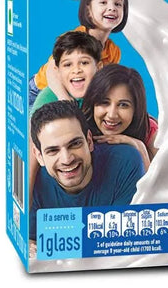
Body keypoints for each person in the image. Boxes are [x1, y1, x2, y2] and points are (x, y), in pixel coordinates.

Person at [28, 100, 145, 248]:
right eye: (52, 151)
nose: (67, 159)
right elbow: (31, 242)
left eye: (75, 144)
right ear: (39, 156)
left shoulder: (125, 162)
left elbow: (124, 240)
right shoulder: (32, 184)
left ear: (89, 141)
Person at [29, 0, 129, 94]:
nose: (112, 8)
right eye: (103, 2)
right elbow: (52, 71)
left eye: (118, 4)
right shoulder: (75, 38)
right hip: (41, 90)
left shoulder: (113, 51)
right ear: (88, 10)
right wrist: (65, 99)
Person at [82, 64, 158, 171]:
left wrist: (140, 148)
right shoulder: (79, 128)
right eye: (104, 102)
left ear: (136, 109)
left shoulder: (149, 130)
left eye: (123, 105)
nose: (112, 115)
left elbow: (161, 181)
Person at [29, 31, 102, 112]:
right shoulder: (47, 99)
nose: (76, 70)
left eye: (84, 63)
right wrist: (64, 98)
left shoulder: (105, 90)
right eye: (68, 65)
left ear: (99, 67)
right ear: (57, 71)